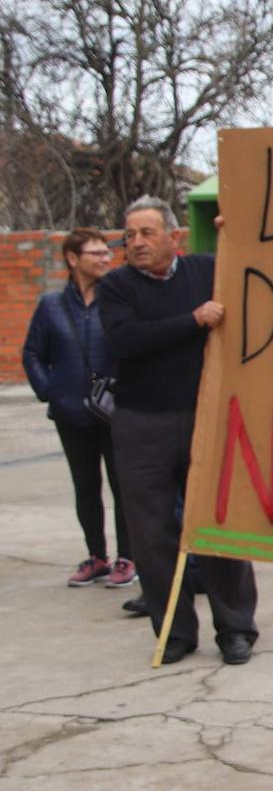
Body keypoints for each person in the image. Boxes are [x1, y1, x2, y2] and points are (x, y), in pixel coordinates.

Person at [98, 195, 258, 665]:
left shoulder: (203, 270)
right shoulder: (117, 287)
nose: (137, 243)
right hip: (141, 422)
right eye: (129, 235)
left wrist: (238, 233)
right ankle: (175, 631)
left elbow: (251, 272)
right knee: (152, 532)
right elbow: (126, 340)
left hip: (204, 418)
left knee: (216, 524)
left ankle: (235, 628)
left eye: (147, 233)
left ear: (174, 236)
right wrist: (192, 321)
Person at [22, 230, 138, 589]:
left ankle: (127, 558)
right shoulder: (51, 305)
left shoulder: (118, 299)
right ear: (73, 259)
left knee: (124, 487)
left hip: (115, 411)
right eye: (96, 253)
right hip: (71, 413)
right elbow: (32, 354)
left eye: (107, 253)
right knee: (85, 487)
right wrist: (50, 392)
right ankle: (97, 556)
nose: (106, 259)